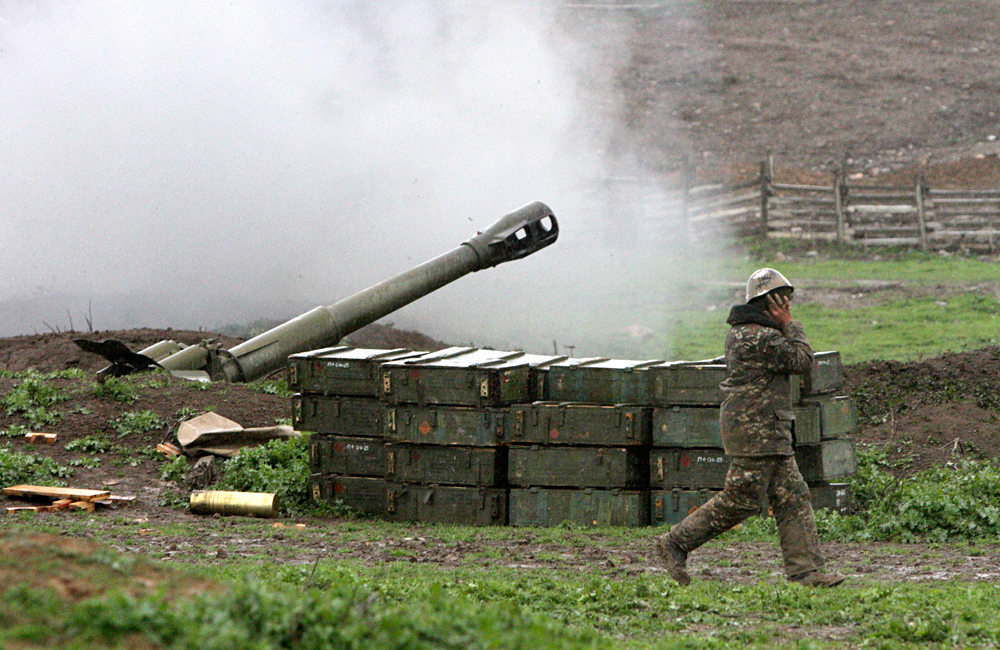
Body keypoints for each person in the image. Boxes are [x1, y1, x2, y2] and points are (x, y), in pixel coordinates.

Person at [654, 268, 845, 588]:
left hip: (766, 429)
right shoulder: (760, 336)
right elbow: (802, 361)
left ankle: (806, 574)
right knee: (740, 500)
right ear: (768, 303)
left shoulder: (748, 332)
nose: (788, 305)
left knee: (793, 496)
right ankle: (675, 543)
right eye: (782, 300)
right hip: (756, 431)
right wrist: (791, 325)